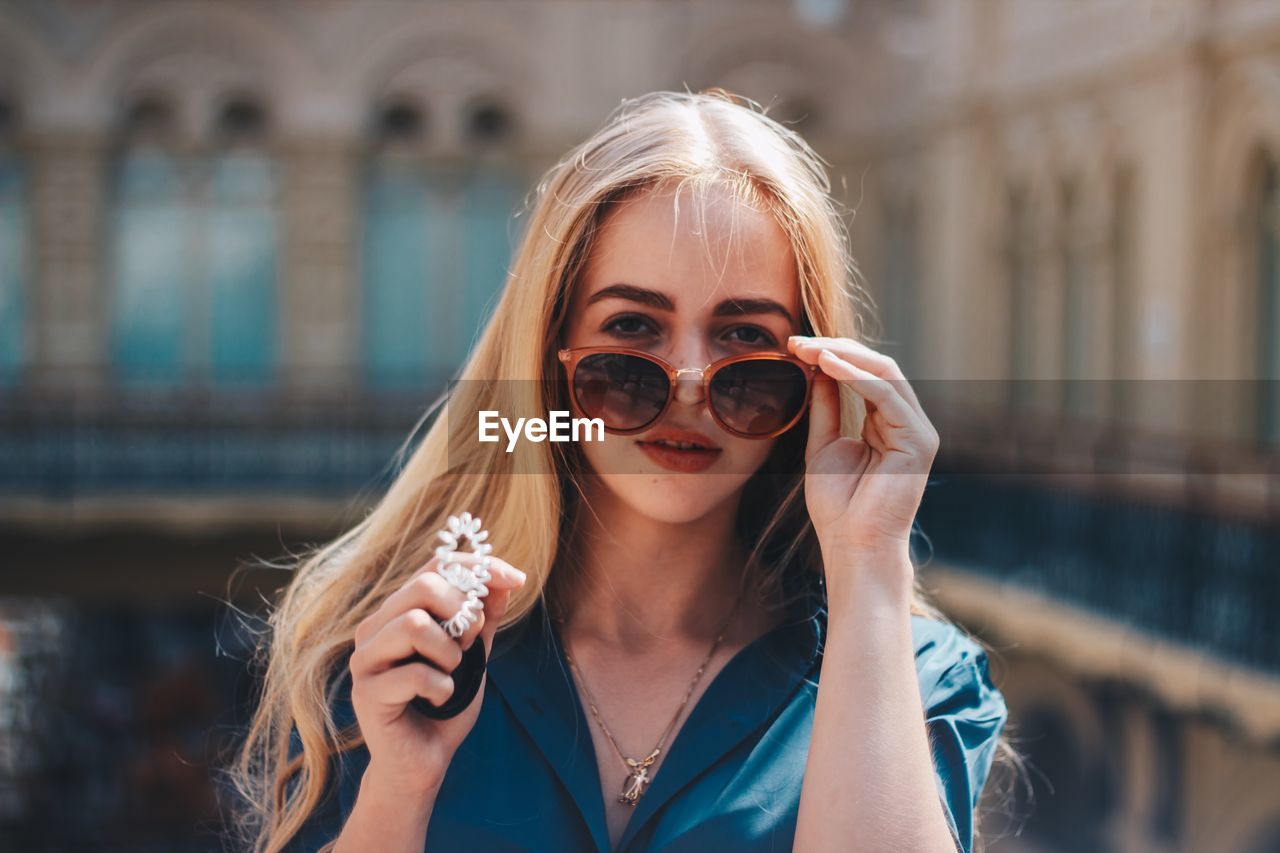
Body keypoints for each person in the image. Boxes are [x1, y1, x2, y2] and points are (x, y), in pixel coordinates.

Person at [225, 88, 1014, 853]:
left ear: (814, 376)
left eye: (744, 338)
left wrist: (869, 553)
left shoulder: (913, 679)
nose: (691, 387)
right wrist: (398, 789)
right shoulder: (397, 655)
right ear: (549, 355)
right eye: (634, 329)